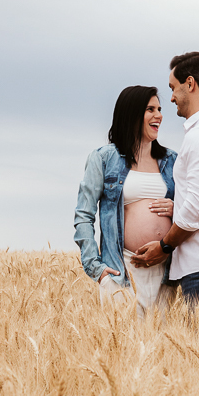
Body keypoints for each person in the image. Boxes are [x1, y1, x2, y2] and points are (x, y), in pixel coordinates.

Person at [131, 52, 199, 317]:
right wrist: (176, 205)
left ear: (189, 84)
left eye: (173, 88)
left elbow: (198, 207)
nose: (170, 98)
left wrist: (165, 246)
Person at [74, 86, 178, 318]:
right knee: (122, 349)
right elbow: (84, 215)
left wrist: (177, 208)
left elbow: (194, 209)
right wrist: (98, 270)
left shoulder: (173, 161)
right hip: (121, 271)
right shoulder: (103, 158)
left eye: (160, 109)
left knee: (163, 350)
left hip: (164, 272)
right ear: (132, 113)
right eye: (150, 109)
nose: (159, 115)